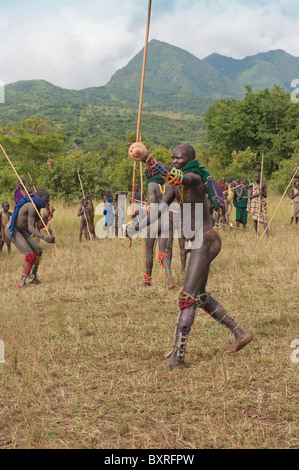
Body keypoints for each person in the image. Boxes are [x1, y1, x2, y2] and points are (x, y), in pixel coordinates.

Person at [127, 144, 253, 370]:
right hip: (198, 242)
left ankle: (178, 356)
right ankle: (240, 333)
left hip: (205, 240)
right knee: (199, 296)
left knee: (186, 298)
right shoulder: (175, 187)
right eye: (173, 159)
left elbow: (176, 175)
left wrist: (155, 164)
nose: (175, 162)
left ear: (189, 161)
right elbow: (157, 210)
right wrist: (135, 226)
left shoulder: (194, 178)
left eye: (179, 159)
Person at [4, 189, 55, 287]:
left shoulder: (37, 206)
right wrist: (45, 238)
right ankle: (22, 282)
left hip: (20, 230)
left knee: (38, 250)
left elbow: (38, 225)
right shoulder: (32, 206)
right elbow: (31, 229)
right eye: (47, 198)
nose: (48, 200)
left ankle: (33, 277)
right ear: (41, 198)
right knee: (30, 255)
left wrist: (48, 216)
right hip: (12, 229)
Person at [247, 172, 269, 236]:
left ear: (260, 177)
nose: (256, 178)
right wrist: (257, 194)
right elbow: (249, 197)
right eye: (255, 177)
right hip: (254, 204)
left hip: (261, 204)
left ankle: (267, 235)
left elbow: (265, 196)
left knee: (265, 220)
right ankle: (257, 234)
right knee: (255, 220)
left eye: (257, 177)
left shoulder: (263, 185)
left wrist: (261, 192)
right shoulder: (251, 185)